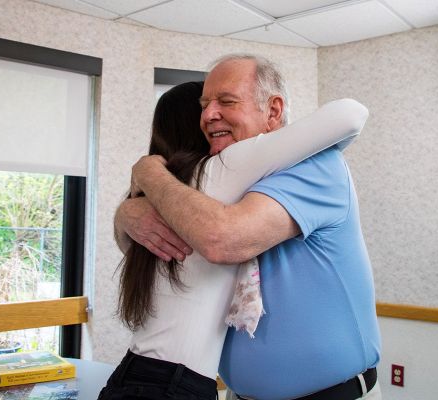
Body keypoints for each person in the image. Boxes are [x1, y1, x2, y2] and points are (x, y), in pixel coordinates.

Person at [117, 54, 381, 400]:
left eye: (225, 101)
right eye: (204, 105)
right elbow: (163, 251)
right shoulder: (214, 182)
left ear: (273, 112)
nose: (208, 115)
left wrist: (148, 173)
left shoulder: (316, 166)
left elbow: (224, 240)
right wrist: (126, 213)